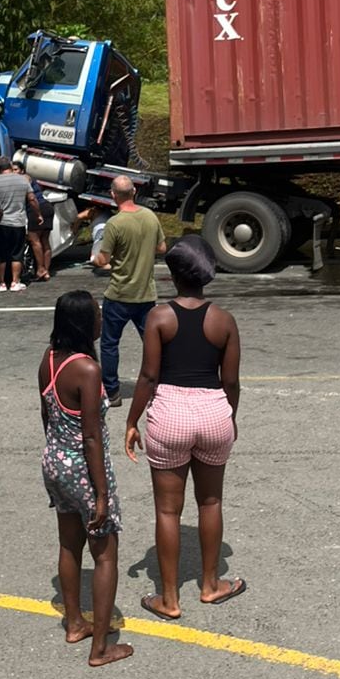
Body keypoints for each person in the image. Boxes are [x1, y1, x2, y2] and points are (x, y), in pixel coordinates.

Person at [125, 236, 244, 617]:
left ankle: (169, 598)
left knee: (167, 511)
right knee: (210, 501)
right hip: (213, 412)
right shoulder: (224, 320)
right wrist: (231, 416)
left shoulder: (159, 317)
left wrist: (132, 420)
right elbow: (231, 382)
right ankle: (210, 585)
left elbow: (148, 376)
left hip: (170, 414)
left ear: (172, 275)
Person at [38, 291, 132, 669]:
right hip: (83, 467)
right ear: (83, 323)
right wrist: (102, 493)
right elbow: (91, 435)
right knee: (105, 554)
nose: (101, 320)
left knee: (69, 543)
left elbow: (45, 414)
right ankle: (100, 649)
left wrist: (57, 457)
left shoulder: (48, 361)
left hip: (54, 461)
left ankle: (75, 623)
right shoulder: (87, 370)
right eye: (96, 314)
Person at [92, 176, 166, 407]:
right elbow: (162, 247)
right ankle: (160, 385)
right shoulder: (150, 217)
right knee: (153, 342)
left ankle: (112, 392)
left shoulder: (115, 224)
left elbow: (102, 258)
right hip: (146, 293)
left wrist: (100, 259)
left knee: (110, 343)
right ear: (134, 191)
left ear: (113, 195)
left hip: (120, 293)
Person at [0, 159, 34, 293]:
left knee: (1, 254)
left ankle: (2, 283)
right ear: (10, 166)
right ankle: (15, 282)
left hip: (1, 222)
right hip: (18, 222)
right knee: (17, 253)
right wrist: (38, 214)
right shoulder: (23, 180)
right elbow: (32, 198)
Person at [27, 177, 54, 282]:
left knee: (35, 241)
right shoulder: (31, 178)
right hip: (47, 206)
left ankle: (40, 269)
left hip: (36, 209)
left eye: (16, 169)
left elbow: (32, 198)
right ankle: (46, 271)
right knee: (45, 241)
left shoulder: (24, 178)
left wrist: (38, 214)